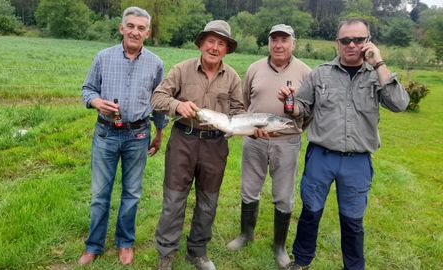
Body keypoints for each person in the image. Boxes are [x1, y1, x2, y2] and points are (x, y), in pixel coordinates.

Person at [277, 18, 409, 270]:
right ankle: (302, 261)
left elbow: (399, 104)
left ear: (368, 42)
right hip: (321, 157)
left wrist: (379, 62)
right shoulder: (320, 73)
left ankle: (353, 266)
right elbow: (302, 107)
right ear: (337, 43)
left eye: (358, 39)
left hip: (357, 162)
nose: (352, 45)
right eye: (346, 40)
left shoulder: (375, 76)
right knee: (310, 213)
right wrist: (290, 104)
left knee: (352, 220)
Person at [151, 20, 245, 270]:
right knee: (174, 198)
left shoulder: (233, 77)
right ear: (201, 43)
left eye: (221, 43)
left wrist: (248, 126)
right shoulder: (181, 70)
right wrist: (177, 106)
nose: (215, 47)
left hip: (215, 146)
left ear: (226, 49)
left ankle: (197, 252)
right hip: (183, 140)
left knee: (208, 201)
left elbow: (238, 110)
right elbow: (157, 97)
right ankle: (167, 252)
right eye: (211, 41)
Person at [78, 6, 168, 266]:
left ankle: (125, 242)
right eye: (130, 26)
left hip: (138, 134)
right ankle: (93, 245)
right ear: (121, 28)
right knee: (99, 194)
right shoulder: (103, 58)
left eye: (141, 28)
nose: (135, 32)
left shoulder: (156, 64)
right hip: (106, 132)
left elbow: (159, 102)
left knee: (132, 193)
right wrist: (96, 102)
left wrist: (159, 132)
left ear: (147, 33)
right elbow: (87, 88)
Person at [226, 24, 311, 269]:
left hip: (286, 143)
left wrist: (295, 131)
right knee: (249, 188)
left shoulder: (305, 72)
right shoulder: (254, 69)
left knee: (284, 195)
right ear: (269, 42)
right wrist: (251, 128)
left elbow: (310, 111)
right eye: (274, 39)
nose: (279, 45)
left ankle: (279, 246)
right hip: (254, 141)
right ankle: (245, 234)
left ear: (293, 42)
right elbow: (244, 103)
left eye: (284, 40)